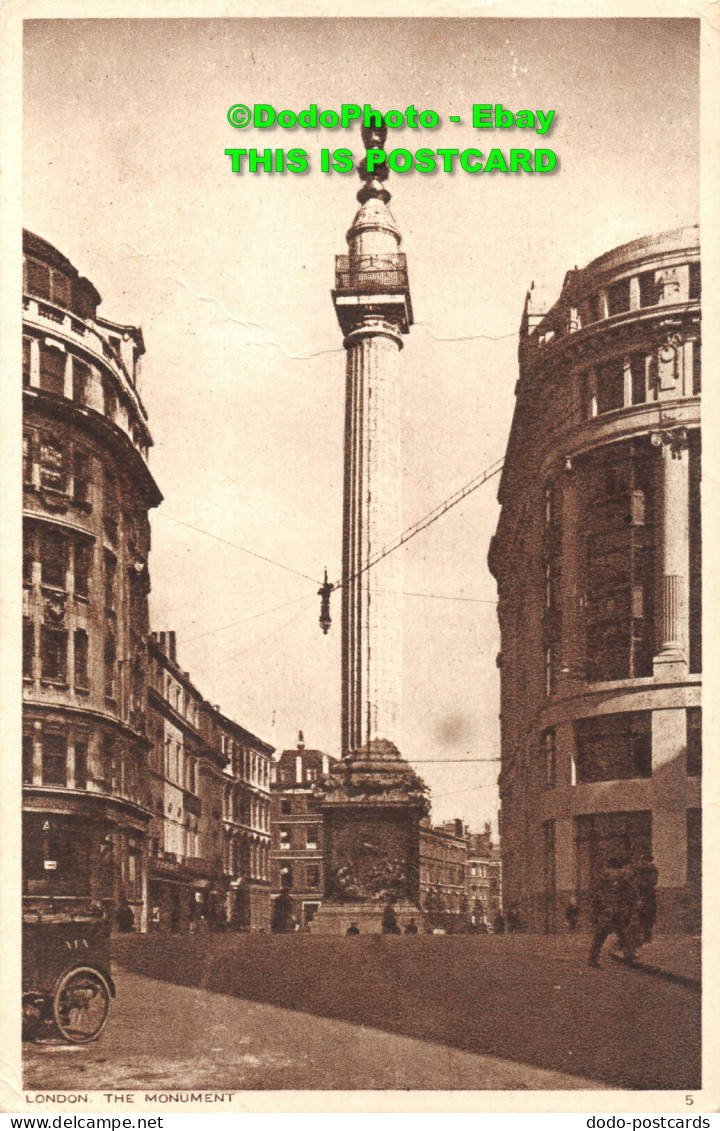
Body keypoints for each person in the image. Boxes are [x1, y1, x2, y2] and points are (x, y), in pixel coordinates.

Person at [588, 857, 638, 967]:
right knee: (624, 933)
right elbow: (632, 892)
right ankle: (629, 957)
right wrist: (629, 906)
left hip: (607, 910)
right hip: (619, 909)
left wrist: (598, 909)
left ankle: (593, 958)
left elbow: (596, 894)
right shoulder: (624, 876)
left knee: (600, 935)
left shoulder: (603, 876)